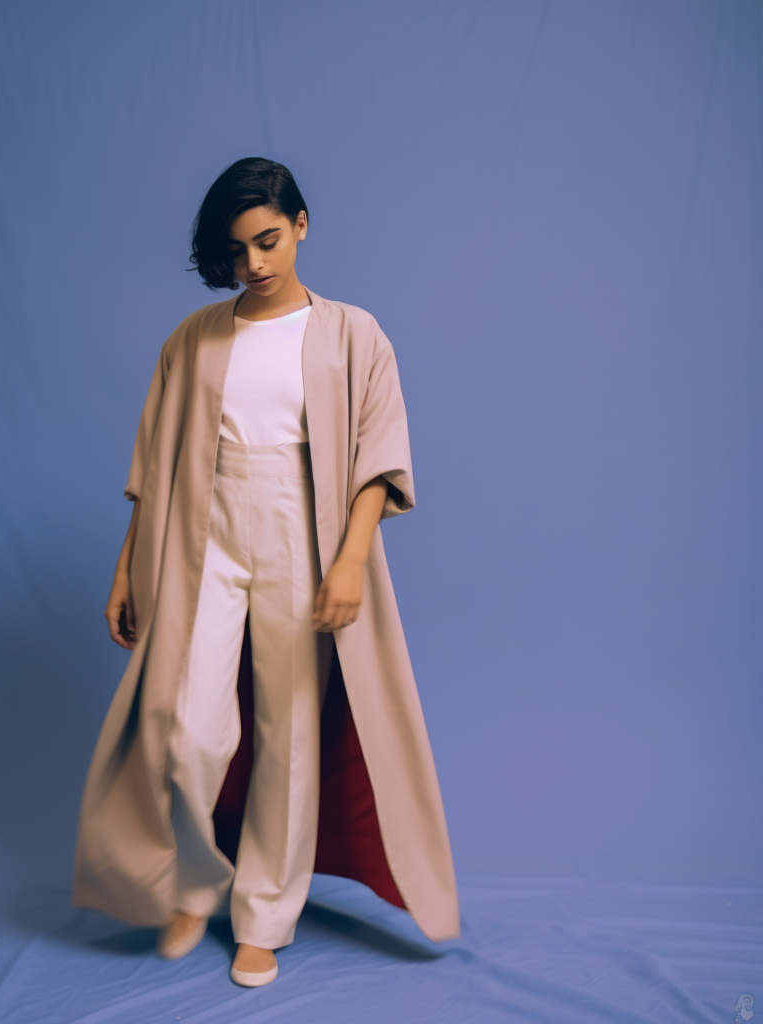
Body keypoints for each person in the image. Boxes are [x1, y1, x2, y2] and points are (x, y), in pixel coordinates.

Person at [72, 158, 460, 988]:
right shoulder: (194, 337)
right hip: (200, 534)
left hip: (305, 533)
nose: (253, 262)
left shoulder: (356, 333)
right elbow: (155, 466)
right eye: (237, 248)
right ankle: (197, 883)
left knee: (289, 731)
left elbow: (375, 459)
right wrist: (123, 571)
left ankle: (265, 915)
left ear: (303, 226)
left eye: (269, 240)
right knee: (183, 724)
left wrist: (349, 562)